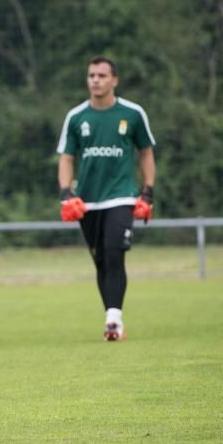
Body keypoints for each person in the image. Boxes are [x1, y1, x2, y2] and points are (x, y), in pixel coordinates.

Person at [56, 56, 156, 341]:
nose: (95, 80)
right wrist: (66, 193)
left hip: (121, 196)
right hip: (87, 201)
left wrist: (148, 190)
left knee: (114, 253)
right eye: (91, 75)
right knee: (100, 260)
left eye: (101, 75)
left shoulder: (133, 114)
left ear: (115, 80)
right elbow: (66, 157)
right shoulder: (76, 117)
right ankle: (111, 317)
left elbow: (146, 152)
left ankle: (113, 320)